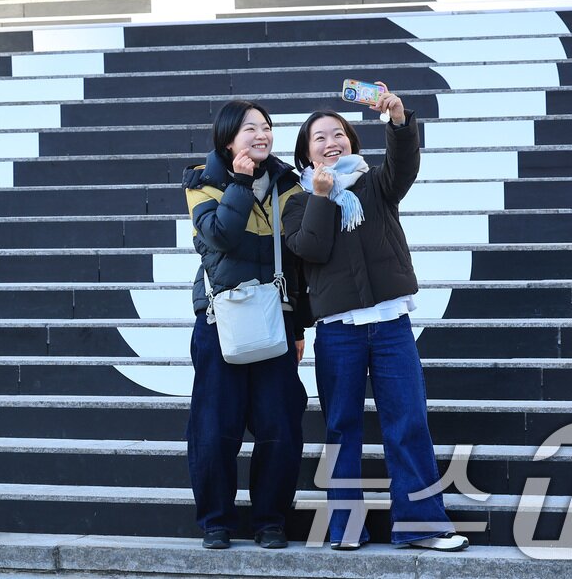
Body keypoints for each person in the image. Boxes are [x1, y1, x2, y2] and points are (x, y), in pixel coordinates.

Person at [281, 89, 468, 552]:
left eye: (339, 134)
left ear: (352, 141)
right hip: (338, 331)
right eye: (319, 137)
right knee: (341, 428)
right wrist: (324, 196)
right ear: (305, 151)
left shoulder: (376, 183)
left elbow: (404, 165)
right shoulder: (297, 200)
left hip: (390, 325)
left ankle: (422, 525)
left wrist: (400, 119)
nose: (331, 142)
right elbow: (310, 249)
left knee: (407, 422)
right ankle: (345, 527)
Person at [183, 100, 309, 550]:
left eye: (267, 127)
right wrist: (238, 181)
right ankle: (216, 521)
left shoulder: (289, 187)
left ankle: (270, 521)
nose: (262, 134)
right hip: (220, 321)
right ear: (228, 137)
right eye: (251, 128)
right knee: (214, 426)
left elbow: (297, 261)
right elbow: (219, 236)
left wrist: (299, 328)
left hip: (276, 320)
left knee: (281, 424)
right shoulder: (202, 180)